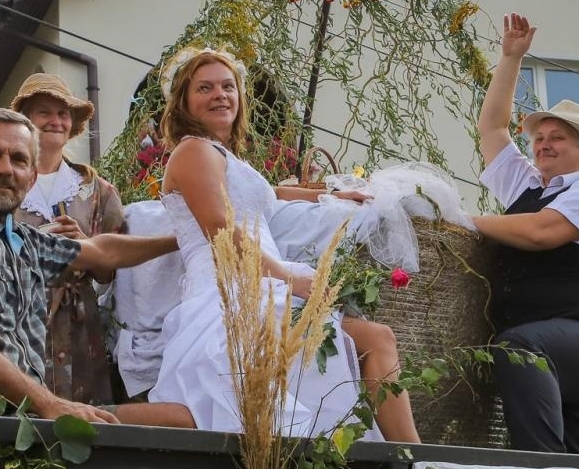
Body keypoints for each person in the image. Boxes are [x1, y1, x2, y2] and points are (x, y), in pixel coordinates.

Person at [147, 45, 420, 442]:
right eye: (204, 88)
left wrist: (328, 194)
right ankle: (419, 467)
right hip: (234, 288)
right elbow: (221, 229)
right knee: (373, 341)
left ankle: (414, 464)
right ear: (185, 102)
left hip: (262, 280)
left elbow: (267, 195)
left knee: (373, 342)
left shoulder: (224, 157)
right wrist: (289, 279)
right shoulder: (193, 151)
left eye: (228, 86)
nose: (220, 95)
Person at [0, 107, 193, 428]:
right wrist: (49, 402)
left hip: (19, 425)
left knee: (179, 420)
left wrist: (187, 239)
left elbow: (102, 252)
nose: (5, 169)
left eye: (18, 160)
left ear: (31, 178)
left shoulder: (27, 242)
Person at [472, 13, 579, 455]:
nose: (542, 143)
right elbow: (492, 129)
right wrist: (510, 58)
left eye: (557, 137)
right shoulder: (528, 187)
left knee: (518, 348)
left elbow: (542, 233)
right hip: (556, 350)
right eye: (539, 137)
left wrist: (465, 220)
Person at [9, 73, 126, 406]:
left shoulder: (98, 190)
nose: (56, 121)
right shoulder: (5, 183)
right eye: (44, 112)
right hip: (19, 314)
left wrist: (86, 247)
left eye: (63, 114)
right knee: (23, 412)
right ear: (25, 121)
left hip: (80, 323)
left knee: (83, 417)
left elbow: (110, 273)